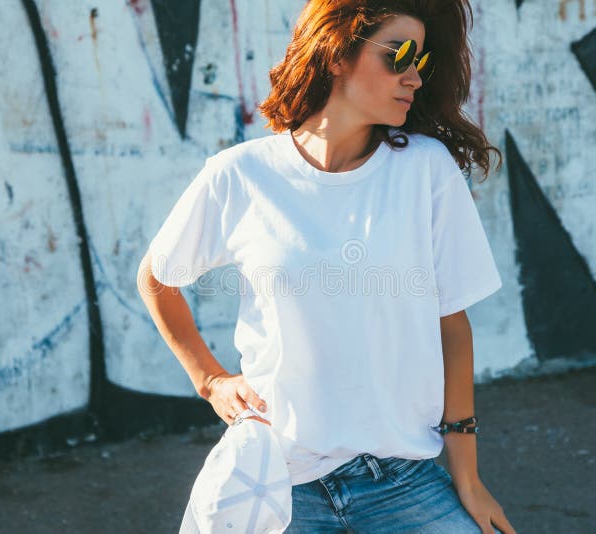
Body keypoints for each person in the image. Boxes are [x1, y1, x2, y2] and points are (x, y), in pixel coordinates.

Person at [137, 0, 516, 532]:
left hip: (402, 481)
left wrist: (468, 482)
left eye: (422, 62)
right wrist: (212, 380)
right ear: (337, 55)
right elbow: (156, 277)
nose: (413, 76)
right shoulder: (240, 175)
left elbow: (452, 328)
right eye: (399, 55)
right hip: (277, 482)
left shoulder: (426, 172)